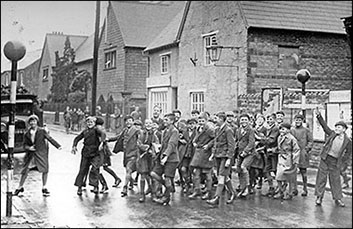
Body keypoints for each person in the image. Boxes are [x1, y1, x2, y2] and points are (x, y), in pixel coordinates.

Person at [14, 115, 62, 197]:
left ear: (37, 122)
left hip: (41, 153)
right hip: (31, 155)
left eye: (34, 121)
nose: (33, 123)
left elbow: (49, 138)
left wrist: (58, 146)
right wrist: (29, 148)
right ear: (29, 123)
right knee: (25, 170)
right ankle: (20, 187)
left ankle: (44, 187)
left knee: (45, 170)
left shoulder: (42, 131)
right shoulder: (27, 133)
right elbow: (24, 145)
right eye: (31, 121)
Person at [314, 107, 352, 207]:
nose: (337, 129)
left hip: (335, 162)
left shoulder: (347, 141)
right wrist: (319, 116)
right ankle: (319, 197)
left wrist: (344, 163)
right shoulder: (332, 134)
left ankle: (338, 198)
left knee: (335, 180)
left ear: (344, 129)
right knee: (321, 179)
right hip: (325, 159)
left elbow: (348, 153)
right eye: (336, 127)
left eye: (339, 127)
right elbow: (324, 126)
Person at [106, 115, 140, 197]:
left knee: (128, 170)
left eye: (130, 120)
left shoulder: (136, 131)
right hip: (126, 153)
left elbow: (140, 141)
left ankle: (125, 188)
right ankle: (131, 183)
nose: (128, 122)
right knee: (127, 170)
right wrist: (109, 139)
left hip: (133, 153)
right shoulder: (125, 130)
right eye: (127, 121)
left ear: (133, 122)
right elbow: (118, 137)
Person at [206, 112, 236, 206]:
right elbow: (216, 143)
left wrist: (229, 159)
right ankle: (233, 193)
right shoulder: (217, 129)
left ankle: (216, 198)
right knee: (223, 176)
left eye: (217, 118)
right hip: (218, 156)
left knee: (221, 177)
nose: (215, 120)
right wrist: (212, 154)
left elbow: (232, 145)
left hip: (225, 156)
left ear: (222, 119)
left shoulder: (228, 130)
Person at [150, 113, 180, 205]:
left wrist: (166, 156)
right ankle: (169, 187)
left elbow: (172, 144)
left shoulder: (174, 131)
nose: (164, 121)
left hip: (171, 159)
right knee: (153, 173)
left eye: (166, 120)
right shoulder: (165, 131)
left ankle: (166, 198)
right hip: (162, 157)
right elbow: (164, 145)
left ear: (172, 121)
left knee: (168, 178)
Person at [71, 116, 105, 195]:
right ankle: (79, 187)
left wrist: (102, 143)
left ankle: (95, 186)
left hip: (95, 153)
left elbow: (103, 134)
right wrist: (74, 146)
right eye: (88, 122)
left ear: (94, 123)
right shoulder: (85, 131)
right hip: (86, 152)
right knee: (82, 170)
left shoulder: (96, 130)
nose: (89, 124)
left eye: (91, 122)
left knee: (95, 169)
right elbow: (77, 138)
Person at [189, 113, 215, 200]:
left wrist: (208, 145)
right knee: (196, 172)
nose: (201, 122)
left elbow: (215, 139)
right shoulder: (197, 128)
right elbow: (195, 137)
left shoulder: (209, 129)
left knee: (207, 173)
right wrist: (194, 142)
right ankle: (197, 190)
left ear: (206, 121)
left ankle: (209, 192)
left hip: (206, 152)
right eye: (199, 121)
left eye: (203, 121)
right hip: (198, 151)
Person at [96, 117, 122, 193]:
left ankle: (104, 185)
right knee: (104, 167)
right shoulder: (100, 130)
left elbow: (103, 140)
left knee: (99, 168)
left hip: (102, 152)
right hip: (102, 152)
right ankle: (117, 179)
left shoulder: (100, 130)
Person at [136, 119, 160, 202]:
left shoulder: (154, 134)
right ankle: (142, 195)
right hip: (143, 157)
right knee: (142, 176)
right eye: (146, 123)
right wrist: (146, 148)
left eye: (150, 123)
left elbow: (157, 144)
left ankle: (153, 194)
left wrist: (153, 149)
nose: (148, 125)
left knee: (152, 176)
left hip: (151, 158)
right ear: (144, 125)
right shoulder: (141, 133)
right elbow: (139, 144)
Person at [290, 114, 313, 196]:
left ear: (302, 121)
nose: (298, 121)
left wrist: (306, 149)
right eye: (296, 120)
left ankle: (305, 189)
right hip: (294, 153)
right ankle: (294, 189)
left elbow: (310, 141)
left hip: (303, 153)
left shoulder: (306, 130)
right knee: (293, 171)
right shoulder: (292, 130)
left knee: (303, 171)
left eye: (299, 120)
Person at [234, 113, 256, 198]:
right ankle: (242, 187)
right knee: (238, 169)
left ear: (249, 121)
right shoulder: (238, 130)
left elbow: (251, 143)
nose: (243, 121)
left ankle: (247, 187)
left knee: (243, 167)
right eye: (242, 120)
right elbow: (237, 141)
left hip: (249, 153)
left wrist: (245, 151)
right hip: (240, 153)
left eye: (245, 120)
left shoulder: (251, 130)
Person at [260, 113, 280, 197]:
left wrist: (261, 138)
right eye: (268, 119)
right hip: (268, 153)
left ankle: (280, 189)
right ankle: (271, 187)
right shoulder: (268, 128)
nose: (269, 121)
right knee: (266, 170)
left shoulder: (275, 128)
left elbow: (271, 140)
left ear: (274, 120)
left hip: (274, 153)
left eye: (271, 119)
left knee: (275, 171)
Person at [178, 118, 197, 194]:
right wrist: (181, 141)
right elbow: (178, 139)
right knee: (183, 169)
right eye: (190, 124)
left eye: (193, 124)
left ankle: (195, 187)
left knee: (193, 171)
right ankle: (187, 183)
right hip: (185, 154)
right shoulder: (184, 132)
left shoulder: (198, 132)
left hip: (194, 154)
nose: (191, 125)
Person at [249, 114, 267, 190]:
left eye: (261, 119)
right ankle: (252, 182)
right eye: (258, 119)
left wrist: (260, 141)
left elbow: (265, 139)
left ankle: (260, 181)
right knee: (252, 168)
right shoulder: (253, 129)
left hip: (261, 151)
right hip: (253, 150)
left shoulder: (265, 129)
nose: (259, 121)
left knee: (260, 168)